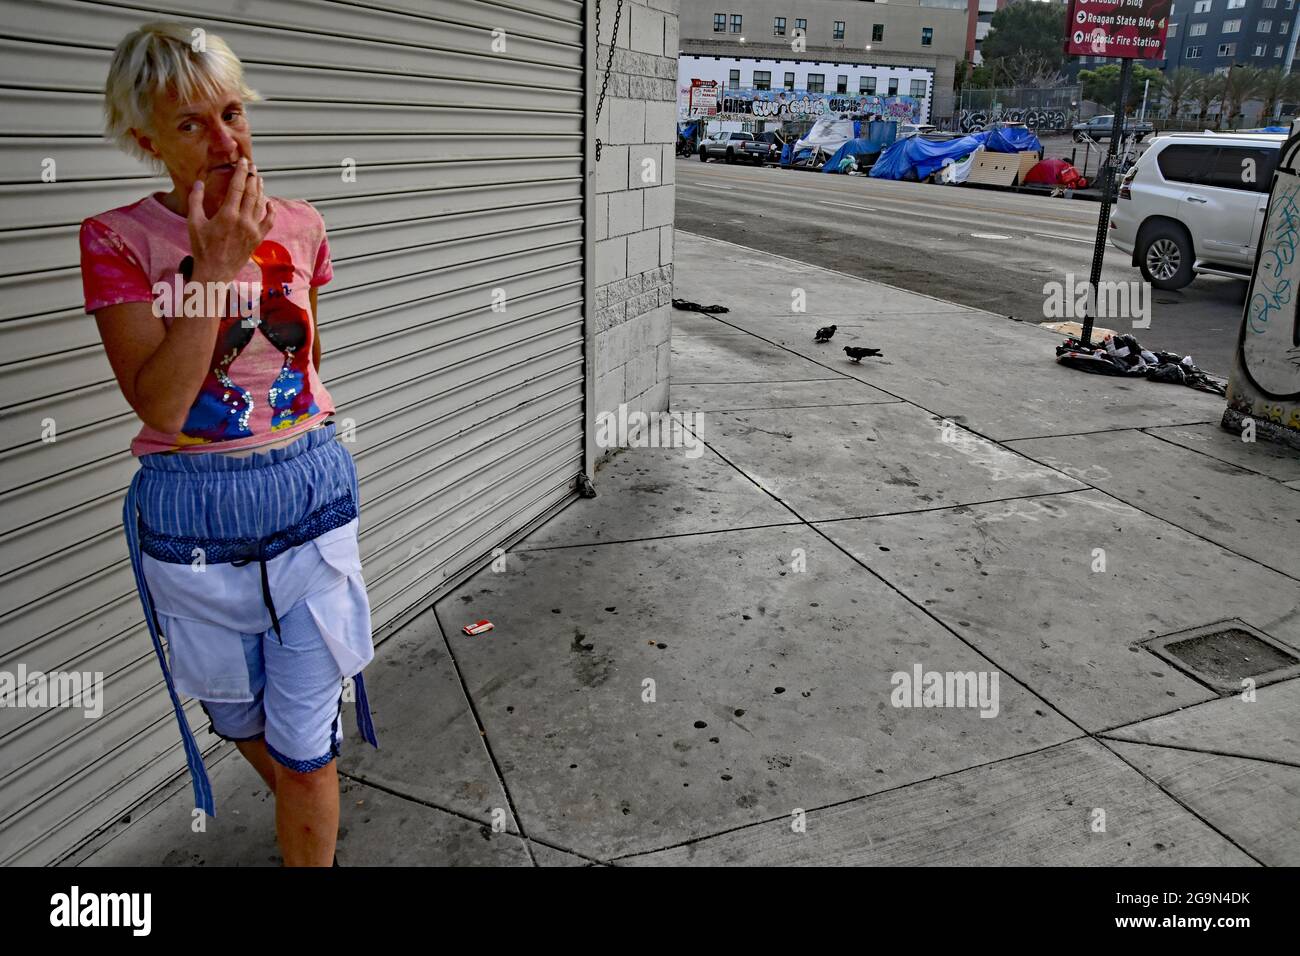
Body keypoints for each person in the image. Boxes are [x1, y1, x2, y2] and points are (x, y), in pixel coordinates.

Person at [78, 21, 378, 866]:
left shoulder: (303, 224)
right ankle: (308, 815)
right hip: (194, 515)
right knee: (237, 714)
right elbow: (163, 408)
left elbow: (302, 369)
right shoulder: (115, 239)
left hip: (306, 493)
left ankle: (308, 813)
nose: (224, 140)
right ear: (146, 141)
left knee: (308, 743)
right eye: (189, 124)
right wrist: (213, 268)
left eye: (233, 114)